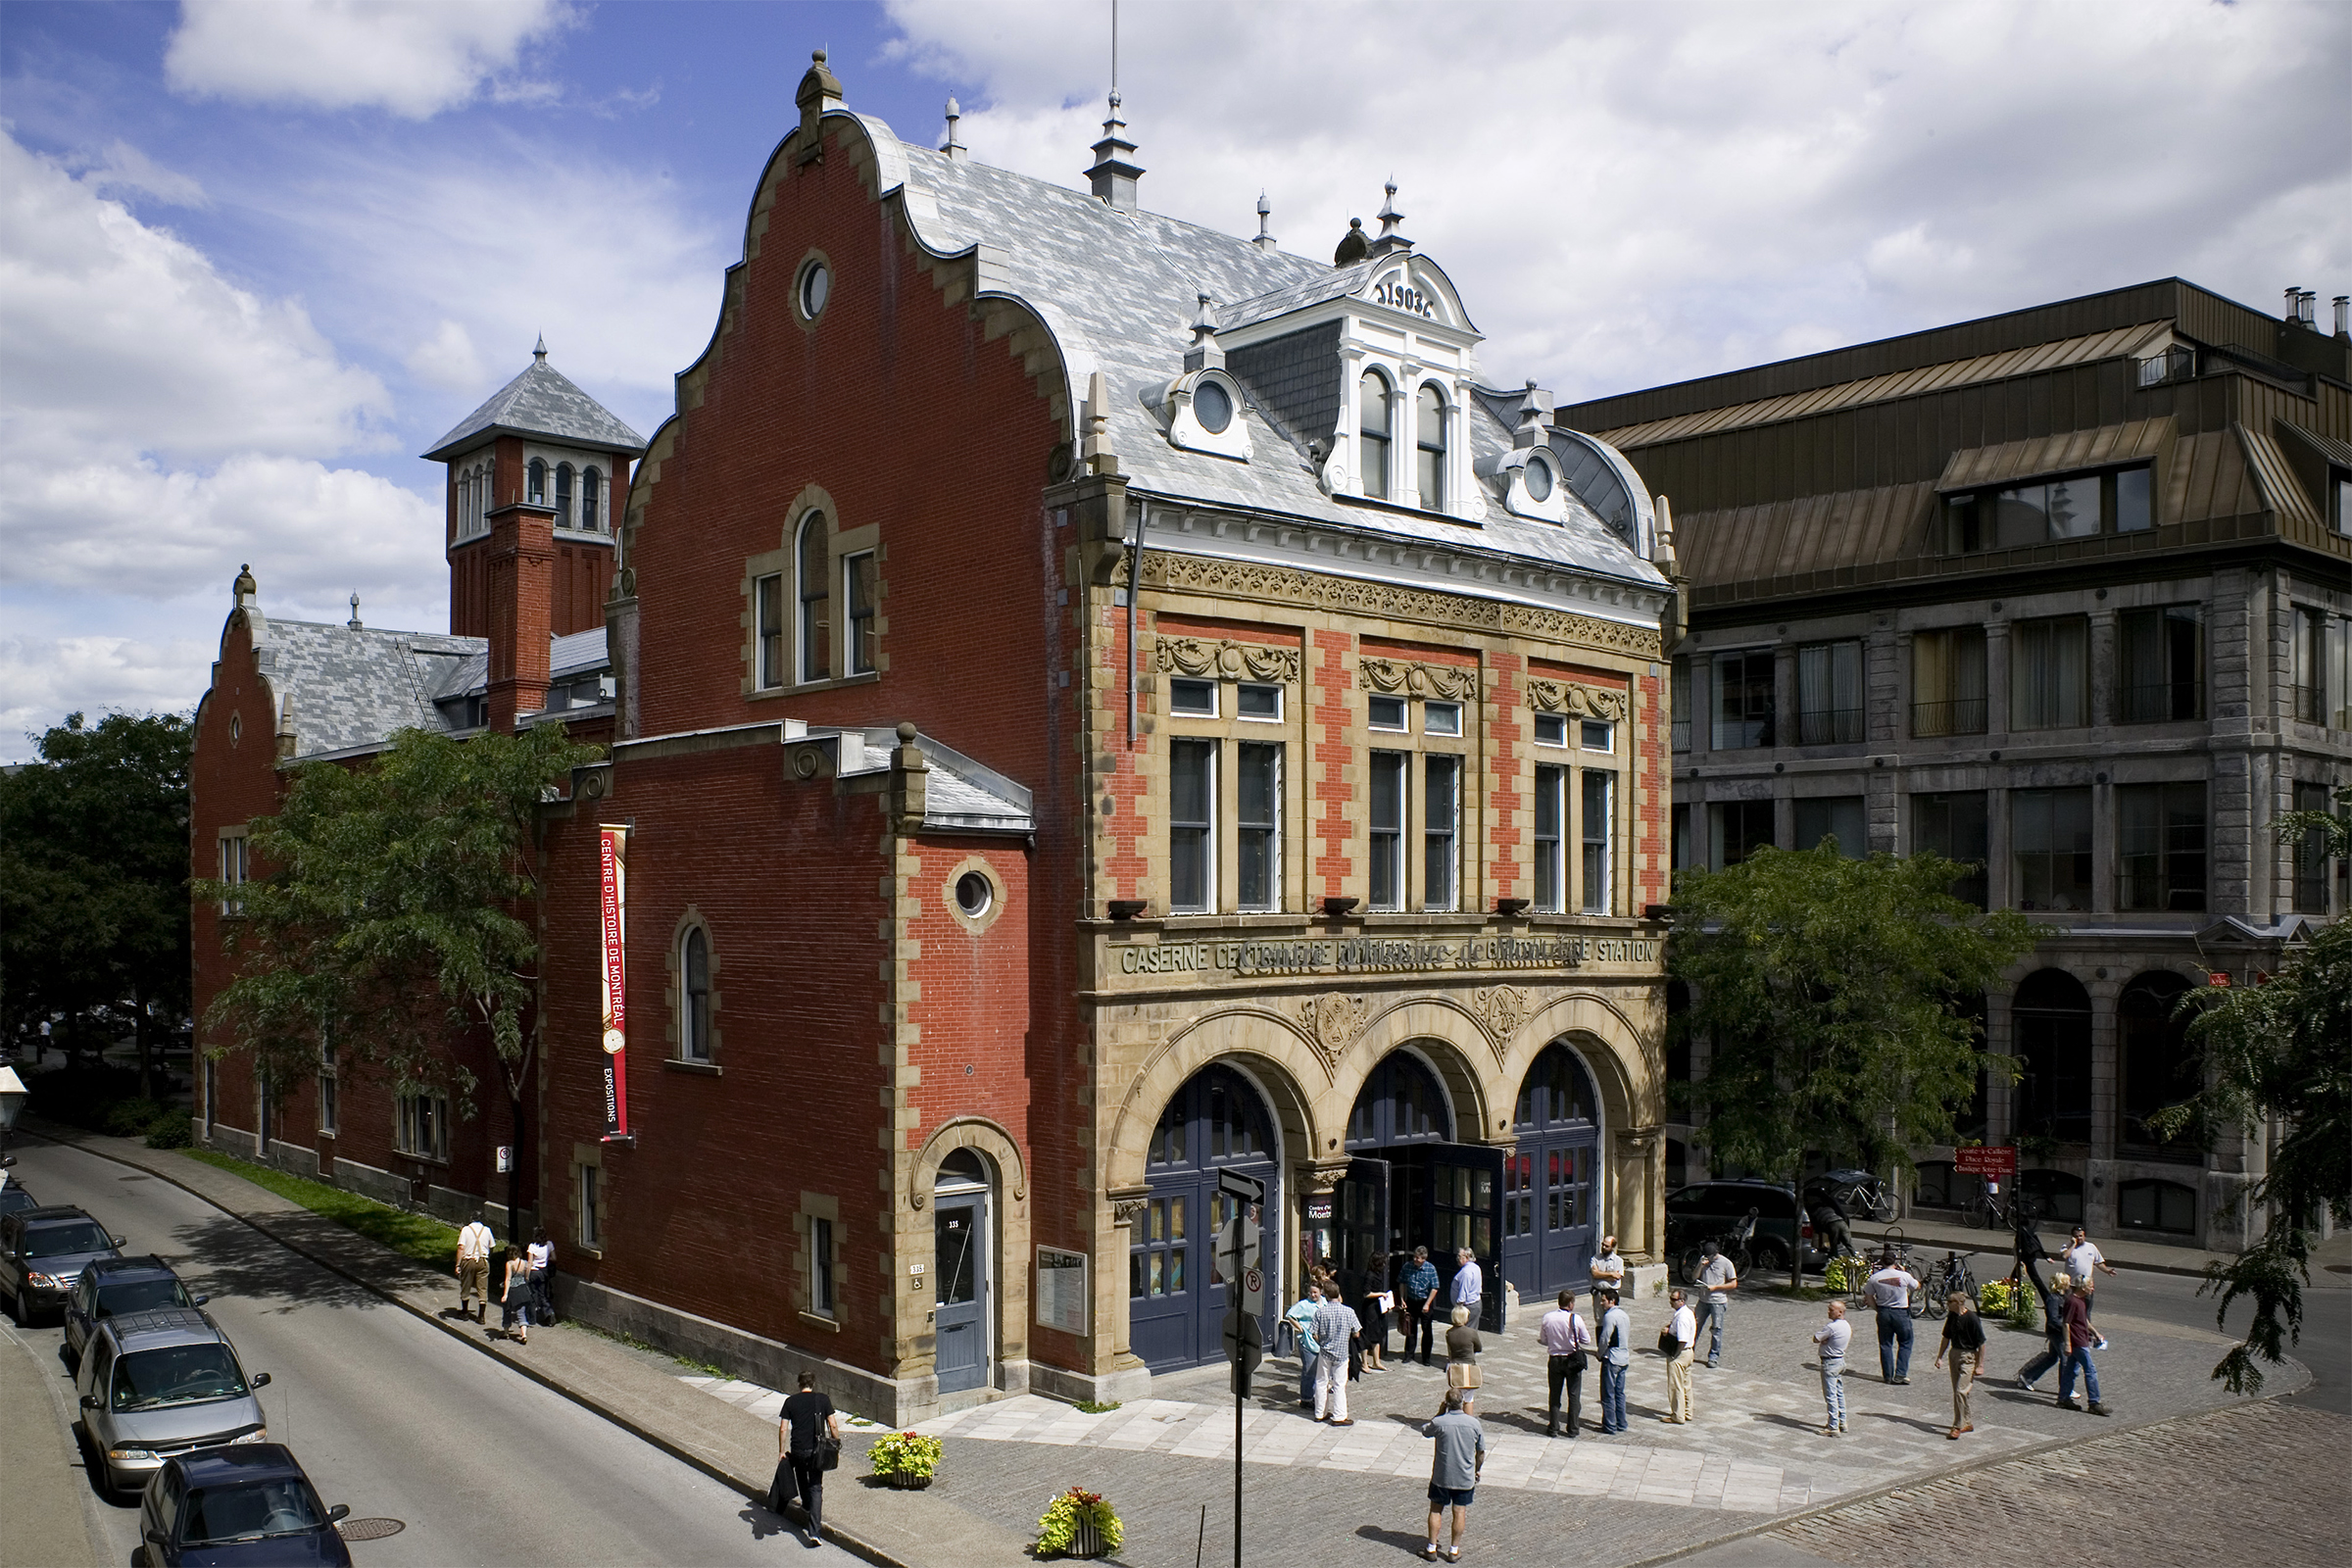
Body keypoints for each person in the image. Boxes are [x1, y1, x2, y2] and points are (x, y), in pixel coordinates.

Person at [774, 1371, 840, 1548]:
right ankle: (814, 1532)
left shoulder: (790, 1402)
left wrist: (781, 1451)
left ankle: (805, 1505)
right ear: (813, 1383)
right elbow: (832, 1424)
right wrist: (836, 1444)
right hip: (816, 1450)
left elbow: (783, 1428)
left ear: (799, 1384)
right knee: (816, 1486)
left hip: (797, 1449)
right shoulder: (823, 1399)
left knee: (801, 1474)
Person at [1420, 1388, 1485, 1562]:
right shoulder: (1474, 1424)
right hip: (1464, 1477)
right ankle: (1453, 1550)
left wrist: (1439, 1413)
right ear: (1463, 1402)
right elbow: (1480, 1452)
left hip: (1442, 1476)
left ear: (1447, 1403)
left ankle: (1431, 1548)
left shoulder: (1440, 1423)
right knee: (1459, 1512)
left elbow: (1425, 1431)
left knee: (1435, 1510)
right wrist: (1477, 1469)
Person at [1537, 1288, 1592, 1439]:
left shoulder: (1547, 1317)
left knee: (1554, 1395)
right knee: (1573, 1395)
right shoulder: (1576, 1319)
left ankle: (1553, 1427)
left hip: (1555, 1359)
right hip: (1572, 1360)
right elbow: (1587, 1341)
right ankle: (1573, 1428)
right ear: (1571, 1304)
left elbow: (1543, 1340)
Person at [1866, 1247, 1921, 1384]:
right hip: (1901, 1312)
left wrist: (1877, 1309)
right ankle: (1900, 1374)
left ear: (1882, 1262)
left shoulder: (1875, 1277)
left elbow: (1868, 1296)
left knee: (1885, 1344)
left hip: (1884, 1311)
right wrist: (1904, 1272)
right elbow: (1917, 1286)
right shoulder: (1904, 1276)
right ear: (1895, 1262)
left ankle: (1888, 1376)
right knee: (1905, 1342)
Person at [1933, 1291, 1984, 1439]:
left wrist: (1980, 1365)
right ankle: (1967, 1422)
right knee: (1958, 1391)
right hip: (1954, 1354)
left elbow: (1981, 1343)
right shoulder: (1952, 1316)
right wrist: (1939, 1357)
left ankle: (1957, 1425)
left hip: (1969, 1356)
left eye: (1950, 1302)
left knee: (1961, 1391)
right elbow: (1946, 1337)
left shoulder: (1972, 1319)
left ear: (1958, 1303)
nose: (1947, 1304)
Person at [2056, 1280, 2111, 1416]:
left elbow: (2084, 1320)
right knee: (2090, 1370)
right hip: (2077, 1342)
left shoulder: (2081, 1301)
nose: (2092, 1289)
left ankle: (2063, 1399)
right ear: (2083, 1287)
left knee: (2071, 1371)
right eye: (2091, 1286)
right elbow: (2066, 1324)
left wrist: (2095, 1333)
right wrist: (2068, 1343)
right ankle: (2094, 1402)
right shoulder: (2072, 1301)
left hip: (2082, 1340)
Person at [1312, 1284, 1363, 1425]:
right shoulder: (1349, 1311)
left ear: (1326, 1296)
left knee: (1321, 1382)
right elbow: (1357, 1332)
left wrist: (1322, 1342)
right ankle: (1339, 1416)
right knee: (1339, 1384)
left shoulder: (1321, 1312)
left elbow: (1313, 1333)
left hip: (1325, 1351)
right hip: (1341, 1353)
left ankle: (1319, 1413)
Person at [2017, 1272, 2071, 1391]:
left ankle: (2027, 1376)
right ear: (2062, 1283)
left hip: (2059, 1332)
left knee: (2052, 1357)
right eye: (2067, 1281)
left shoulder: (2064, 1296)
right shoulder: (2053, 1299)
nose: (2069, 1284)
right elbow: (2053, 1319)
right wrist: (2066, 1328)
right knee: (2065, 1360)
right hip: (2057, 1333)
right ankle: (2065, 1389)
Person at [1693, 1240, 1739, 1367]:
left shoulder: (1726, 1263)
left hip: (1718, 1302)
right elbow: (1693, 1277)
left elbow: (1733, 1284)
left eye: (1710, 1256)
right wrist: (1700, 1266)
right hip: (1702, 1300)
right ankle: (1689, 1352)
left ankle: (1713, 1357)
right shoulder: (1703, 1260)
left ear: (1715, 1254)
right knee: (1695, 1326)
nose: (1708, 1258)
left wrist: (1715, 1288)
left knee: (1716, 1330)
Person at [1812, 1299, 1851, 1437]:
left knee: (1830, 1395)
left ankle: (1833, 1426)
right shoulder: (1846, 1325)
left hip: (1829, 1363)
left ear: (1840, 1312)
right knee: (1839, 1393)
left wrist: (1823, 1340)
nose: (1828, 1312)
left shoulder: (1831, 1327)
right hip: (1840, 1361)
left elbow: (1816, 1338)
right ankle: (1842, 1422)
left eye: (1831, 1309)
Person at [1596, 1288, 1632, 1435]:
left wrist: (1599, 1353)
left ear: (1612, 1301)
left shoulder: (1609, 1317)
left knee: (1608, 1393)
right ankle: (1621, 1422)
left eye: (1603, 1300)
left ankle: (1610, 1425)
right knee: (1619, 1393)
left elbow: (1605, 1338)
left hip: (1612, 1358)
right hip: (1624, 1358)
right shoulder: (1624, 1315)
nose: (1601, 1303)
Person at [1400, 1247, 1442, 1366]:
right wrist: (1403, 1299)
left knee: (1427, 1330)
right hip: (1411, 1301)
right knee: (1410, 1329)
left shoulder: (1430, 1269)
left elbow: (1435, 1288)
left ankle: (1426, 1358)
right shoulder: (1407, 1266)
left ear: (1424, 1259)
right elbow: (1402, 1282)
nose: (1415, 1259)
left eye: (1417, 1258)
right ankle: (1408, 1354)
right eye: (1414, 1257)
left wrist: (1427, 1304)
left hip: (1424, 1301)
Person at [1286, 1283, 1323, 1408]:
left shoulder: (1324, 1302)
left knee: (1319, 1371)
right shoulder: (1303, 1305)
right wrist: (1300, 1327)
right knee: (1309, 1370)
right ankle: (1306, 1399)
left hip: (1320, 1342)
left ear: (1321, 1292)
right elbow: (1290, 1315)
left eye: (1315, 1292)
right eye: (1311, 1292)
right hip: (1308, 1341)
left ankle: (1314, 1396)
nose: (1313, 1295)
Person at [1443, 1303, 1483, 1415]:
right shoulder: (1471, 1332)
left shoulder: (1449, 1333)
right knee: (1468, 1399)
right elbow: (1479, 1348)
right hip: (1469, 1366)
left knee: (1455, 1397)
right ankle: (1468, 1421)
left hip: (1455, 1367)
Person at [1663, 1288, 1696, 1423]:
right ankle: (1688, 1412)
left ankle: (1678, 1415)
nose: (1670, 1302)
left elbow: (1682, 1340)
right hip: (1689, 1353)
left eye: (1673, 1299)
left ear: (1681, 1301)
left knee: (1675, 1385)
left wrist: (1674, 1355)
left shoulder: (1682, 1317)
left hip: (1680, 1354)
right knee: (1686, 1384)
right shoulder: (1688, 1313)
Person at [455, 1214, 496, 1324]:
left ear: (471, 1219)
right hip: (483, 1260)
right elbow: (492, 1246)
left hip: (468, 1260)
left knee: (466, 1285)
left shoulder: (466, 1230)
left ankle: (464, 1312)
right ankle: (481, 1316)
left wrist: (458, 1265)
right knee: (482, 1288)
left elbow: (461, 1247)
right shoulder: (487, 1230)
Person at [1358, 1251, 1392, 1371]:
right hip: (1370, 1309)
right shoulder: (1370, 1275)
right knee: (1367, 1334)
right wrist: (1381, 1294)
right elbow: (1366, 1293)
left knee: (1377, 1333)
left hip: (1379, 1308)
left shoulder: (1379, 1273)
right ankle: (1364, 1363)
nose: (1385, 1264)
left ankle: (1376, 1361)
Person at [498, 1244, 532, 1344]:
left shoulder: (509, 1264)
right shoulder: (524, 1263)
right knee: (521, 1313)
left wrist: (505, 1294)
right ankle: (524, 1335)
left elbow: (508, 1279)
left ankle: (506, 1333)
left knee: (507, 1311)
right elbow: (526, 1276)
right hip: (522, 1289)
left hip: (512, 1290)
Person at [1810, 1189, 1854, 1263]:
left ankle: (1835, 1262)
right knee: (1849, 1244)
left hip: (1832, 1224)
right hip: (1841, 1222)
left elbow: (1817, 1229)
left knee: (1834, 1246)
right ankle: (1856, 1258)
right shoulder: (1829, 1208)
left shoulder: (1815, 1213)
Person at [1589, 1235, 1626, 1321]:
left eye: (1607, 1246)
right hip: (1598, 1293)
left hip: (1611, 1294)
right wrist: (1611, 1274)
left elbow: (1616, 1277)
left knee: (1612, 1318)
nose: (1604, 1247)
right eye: (1603, 1245)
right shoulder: (1595, 1258)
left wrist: (1600, 1274)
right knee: (1599, 1319)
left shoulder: (1618, 1261)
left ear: (1612, 1247)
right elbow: (1595, 1274)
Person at [526, 1227, 556, 1325]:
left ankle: (532, 1317)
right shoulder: (549, 1244)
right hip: (544, 1272)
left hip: (534, 1272)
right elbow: (554, 1258)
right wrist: (546, 1259)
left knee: (533, 1294)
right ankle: (549, 1312)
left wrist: (527, 1275)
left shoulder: (532, 1246)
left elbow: (530, 1262)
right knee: (543, 1294)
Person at [1449, 1247, 1482, 1321]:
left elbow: (1463, 1291)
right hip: (1476, 1303)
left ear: (1466, 1257)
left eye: (1459, 1256)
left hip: (1466, 1307)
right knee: (1471, 1330)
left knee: (1464, 1331)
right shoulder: (1476, 1267)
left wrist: (1458, 1307)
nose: (1457, 1259)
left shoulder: (1466, 1272)